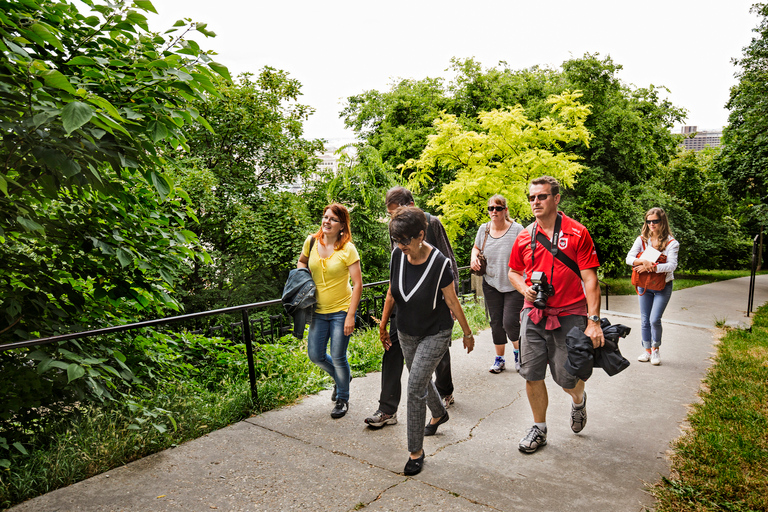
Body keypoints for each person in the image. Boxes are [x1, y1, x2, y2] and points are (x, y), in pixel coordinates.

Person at [507, 176, 604, 454]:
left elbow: (590, 280)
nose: (535, 202)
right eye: (532, 198)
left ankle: (578, 400)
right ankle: (539, 428)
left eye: (542, 196)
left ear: (556, 198)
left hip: (570, 316)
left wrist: (593, 321)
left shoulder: (577, 232)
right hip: (534, 314)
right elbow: (513, 272)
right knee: (532, 374)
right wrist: (524, 287)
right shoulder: (525, 235)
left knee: (567, 379)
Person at [379, 206, 475, 475]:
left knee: (413, 387)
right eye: (396, 241)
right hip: (406, 332)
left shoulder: (440, 264)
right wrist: (384, 325)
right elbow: (391, 292)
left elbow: (452, 300)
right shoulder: (397, 256)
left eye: (405, 240)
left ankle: (415, 452)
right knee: (420, 380)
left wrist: (467, 333)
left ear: (421, 235)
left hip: (436, 332)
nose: (400, 246)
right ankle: (440, 413)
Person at [364, 186, 459, 429]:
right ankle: (387, 409)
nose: (394, 220)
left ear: (412, 205)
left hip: (432, 304)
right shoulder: (393, 227)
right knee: (393, 349)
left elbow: (449, 261)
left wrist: (452, 303)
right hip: (403, 299)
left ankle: (444, 390)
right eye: (390, 214)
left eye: (397, 212)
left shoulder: (431, 223)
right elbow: (397, 261)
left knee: (436, 354)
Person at [297, 203, 363, 419]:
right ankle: (343, 378)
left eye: (333, 219)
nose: (327, 221)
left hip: (341, 311)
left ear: (342, 225)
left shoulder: (348, 249)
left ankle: (342, 397)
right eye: (325, 217)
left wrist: (351, 315)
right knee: (315, 355)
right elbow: (301, 262)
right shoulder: (311, 242)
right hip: (318, 310)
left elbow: (358, 283)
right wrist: (303, 279)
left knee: (337, 356)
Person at [470, 194, 524, 373]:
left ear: (505, 210)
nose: (494, 211)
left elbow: (528, 252)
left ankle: (519, 354)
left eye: (498, 208)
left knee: (509, 322)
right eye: (491, 208)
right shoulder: (483, 230)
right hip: (491, 283)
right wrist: (473, 258)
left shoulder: (517, 230)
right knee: (496, 323)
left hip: (514, 284)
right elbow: (476, 247)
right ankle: (499, 359)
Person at [625, 207, 679, 366]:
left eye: (655, 221)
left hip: (663, 286)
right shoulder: (642, 240)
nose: (651, 224)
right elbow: (629, 258)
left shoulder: (671, 243)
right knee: (644, 320)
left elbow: (672, 265)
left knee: (654, 319)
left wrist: (652, 267)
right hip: (644, 286)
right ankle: (646, 350)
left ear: (662, 222)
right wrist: (643, 261)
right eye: (648, 221)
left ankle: (656, 349)